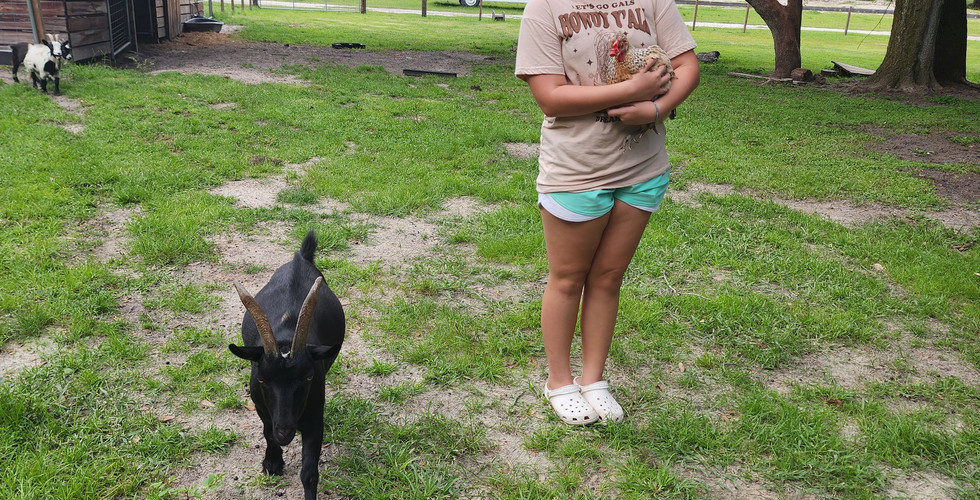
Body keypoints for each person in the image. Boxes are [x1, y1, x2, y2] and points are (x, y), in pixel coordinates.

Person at [515, 0, 700, 425]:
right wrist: (632, 91)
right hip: (577, 170)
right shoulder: (544, 7)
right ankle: (559, 382)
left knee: (609, 277)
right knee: (568, 279)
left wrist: (655, 109)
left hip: (643, 169)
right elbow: (550, 97)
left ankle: (594, 379)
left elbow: (687, 65)